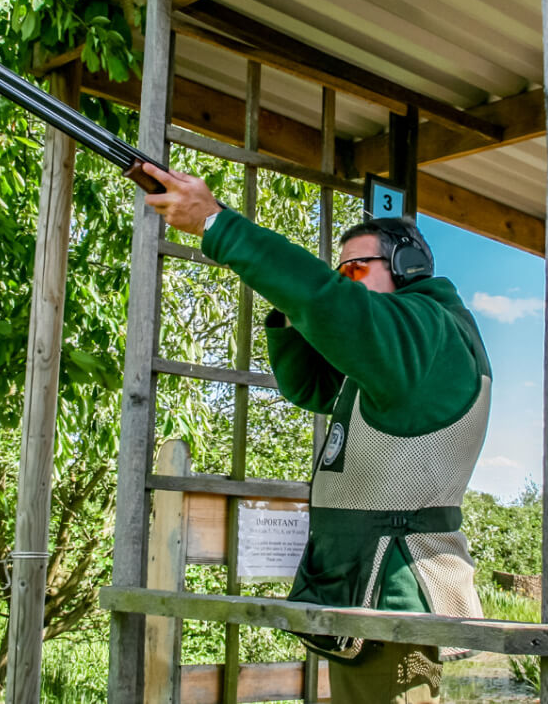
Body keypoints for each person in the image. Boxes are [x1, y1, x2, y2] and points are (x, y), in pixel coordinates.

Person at [140, 163, 492, 704]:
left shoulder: (425, 332)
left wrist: (216, 224)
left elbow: (328, 303)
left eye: (356, 270)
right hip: (365, 582)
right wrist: (291, 298)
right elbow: (311, 385)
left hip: (395, 587)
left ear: (407, 265)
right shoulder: (407, 348)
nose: (345, 282)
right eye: (341, 272)